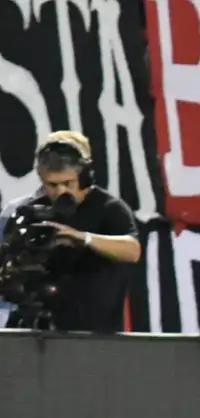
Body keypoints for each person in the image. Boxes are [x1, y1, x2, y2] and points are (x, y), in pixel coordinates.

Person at [2, 131, 141, 332]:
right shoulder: (30, 211)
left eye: (67, 183)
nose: (60, 192)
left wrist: (81, 238)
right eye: (52, 185)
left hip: (92, 332)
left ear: (83, 177)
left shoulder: (109, 207)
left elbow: (132, 250)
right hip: (33, 329)